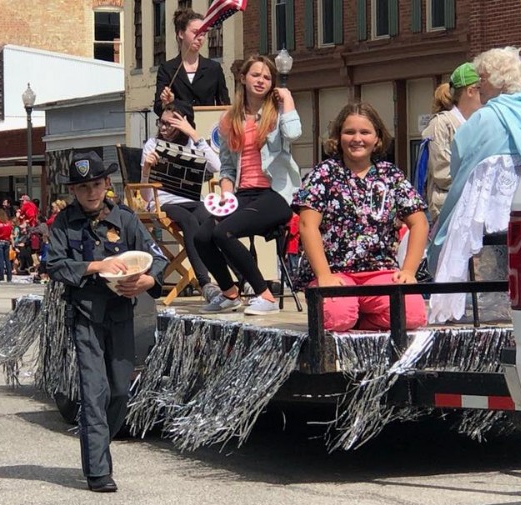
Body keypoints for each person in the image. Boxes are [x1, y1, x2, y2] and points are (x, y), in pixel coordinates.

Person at [46, 151, 168, 493]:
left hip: (121, 313)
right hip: (86, 315)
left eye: (96, 184)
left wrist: (148, 282)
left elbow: (155, 258)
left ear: (106, 184)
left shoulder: (125, 219)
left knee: (118, 390)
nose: (90, 192)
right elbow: (54, 265)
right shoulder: (64, 223)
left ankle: (101, 445)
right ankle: (97, 470)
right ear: (73, 190)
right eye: (82, 186)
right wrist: (94, 267)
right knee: (93, 391)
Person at [428, 46, 521, 323]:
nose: (478, 85)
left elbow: (460, 169)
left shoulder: (483, 120)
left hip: (487, 230)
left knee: (483, 280)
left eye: (482, 78)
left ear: (497, 80)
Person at [293, 101, 429, 332]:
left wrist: (408, 272)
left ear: (377, 138)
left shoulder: (390, 174)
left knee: (413, 315)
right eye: (349, 132)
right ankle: (347, 314)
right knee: (337, 319)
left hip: (380, 271)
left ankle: (361, 320)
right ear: (338, 137)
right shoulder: (323, 174)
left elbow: (420, 223)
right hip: (336, 273)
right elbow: (307, 225)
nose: (357, 138)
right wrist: (324, 275)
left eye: (365, 132)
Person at [194, 55, 302, 316]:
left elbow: (294, 134)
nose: (261, 81)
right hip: (244, 194)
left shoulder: (278, 114)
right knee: (202, 236)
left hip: (275, 194)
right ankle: (230, 293)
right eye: (256, 75)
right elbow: (228, 167)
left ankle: (264, 294)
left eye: (267, 77)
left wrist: (287, 100)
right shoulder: (230, 120)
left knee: (224, 233)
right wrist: (226, 194)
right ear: (243, 78)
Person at [141, 100, 221, 302]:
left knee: (213, 220)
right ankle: (205, 283)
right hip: (164, 201)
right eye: (162, 122)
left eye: (170, 124)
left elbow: (216, 165)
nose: (164, 128)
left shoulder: (193, 143)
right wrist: (146, 170)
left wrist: (194, 134)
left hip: (192, 199)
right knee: (189, 221)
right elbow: (144, 196)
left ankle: (239, 278)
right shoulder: (152, 144)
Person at [420, 63, 483, 222]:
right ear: (470, 91)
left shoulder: (480, 123)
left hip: (475, 208)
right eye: (482, 89)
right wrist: (480, 183)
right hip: (448, 211)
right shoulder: (441, 124)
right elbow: (442, 172)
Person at [153, 7, 230, 116]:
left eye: (203, 34)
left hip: (205, 129)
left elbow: (224, 105)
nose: (200, 38)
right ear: (181, 33)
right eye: (195, 32)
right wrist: (166, 103)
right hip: (178, 130)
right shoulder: (167, 69)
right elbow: (158, 107)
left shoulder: (214, 68)